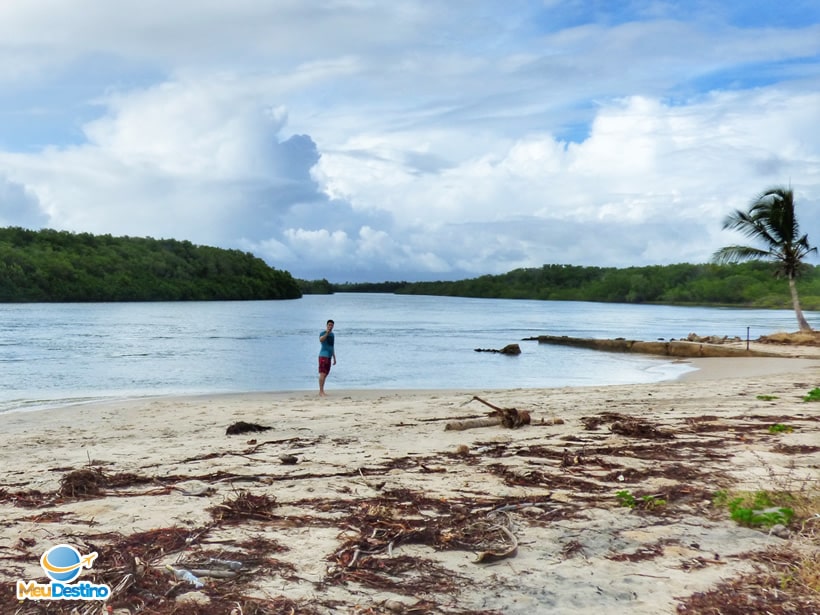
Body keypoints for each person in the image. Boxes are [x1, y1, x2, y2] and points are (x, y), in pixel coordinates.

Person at [318, 319, 336, 396]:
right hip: (323, 355)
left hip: (329, 356)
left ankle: (322, 391)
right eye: (329, 325)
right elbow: (321, 340)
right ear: (326, 325)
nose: (330, 326)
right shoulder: (322, 333)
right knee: (322, 373)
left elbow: (332, 346)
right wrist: (327, 333)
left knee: (325, 374)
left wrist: (334, 357)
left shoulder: (333, 335)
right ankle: (321, 391)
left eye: (331, 325)